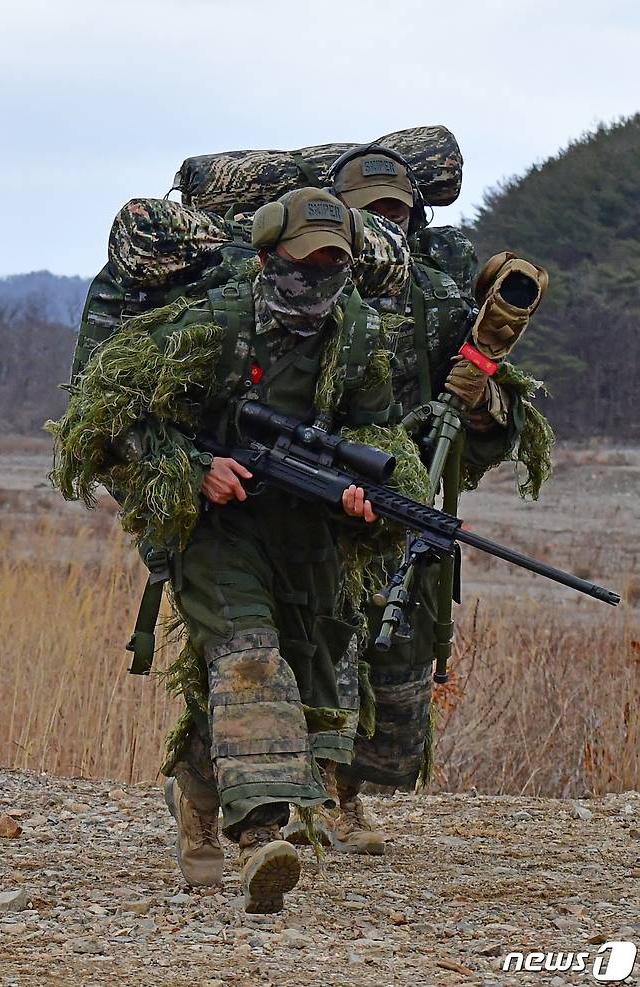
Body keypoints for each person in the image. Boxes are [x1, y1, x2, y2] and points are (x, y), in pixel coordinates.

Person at [49, 187, 399, 912]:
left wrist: (368, 492)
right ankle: (259, 837)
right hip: (213, 528)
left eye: (334, 265)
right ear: (268, 257)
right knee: (248, 661)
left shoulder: (357, 335)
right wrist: (193, 466)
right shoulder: (211, 324)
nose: (317, 282)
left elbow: (378, 431)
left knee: (291, 682)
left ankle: (198, 793)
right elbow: (107, 417)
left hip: (304, 532)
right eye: (304, 265)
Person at [301, 145, 549, 855]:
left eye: (396, 213)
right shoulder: (307, 284)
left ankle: (348, 799)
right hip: (315, 493)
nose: (384, 226)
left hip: (404, 504)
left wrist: (479, 402)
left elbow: (502, 416)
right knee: (315, 646)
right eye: (369, 213)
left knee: (396, 660)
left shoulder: (436, 297)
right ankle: (289, 792)